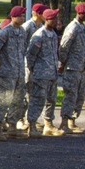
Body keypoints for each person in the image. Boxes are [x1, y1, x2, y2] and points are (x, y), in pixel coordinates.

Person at [0, 6, 28, 140]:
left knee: (18, 100)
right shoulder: (5, 32)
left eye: (23, 16)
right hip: (7, 72)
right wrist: (0, 62)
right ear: (12, 17)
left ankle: (12, 126)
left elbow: (23, 50)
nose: (22, 18)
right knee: (4, 100)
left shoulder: (22, 31)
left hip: (19, 73)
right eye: (20, 16)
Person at [25, 8, 62, 138]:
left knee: (51, 100)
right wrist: (34, 70)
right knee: (37, 100)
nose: (56, 20)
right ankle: (32, 125)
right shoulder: (39, 35)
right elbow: (30, 56)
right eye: (53, 18)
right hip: (41, 75)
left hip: (52, 74)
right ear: (47, 19)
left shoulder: (53, 34)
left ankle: (48, 125)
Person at [58, 2, 85, 134]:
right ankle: (64, 122)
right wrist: (63, 62)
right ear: (79, 13)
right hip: (72, 67)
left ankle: (72, 121)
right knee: (70, 96)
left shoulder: (83, 28)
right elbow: (64, 47)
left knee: (79, 96)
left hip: (82, 68)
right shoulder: (73, 28)